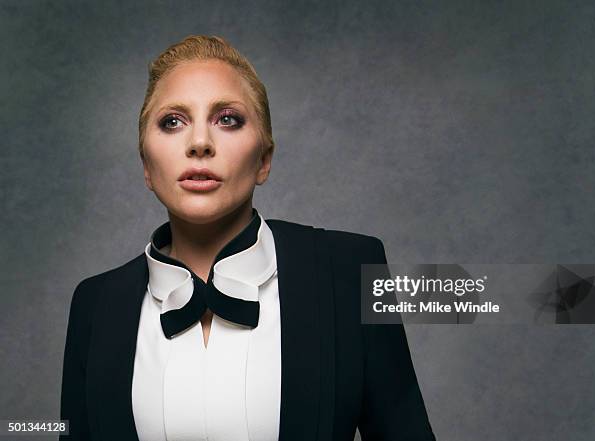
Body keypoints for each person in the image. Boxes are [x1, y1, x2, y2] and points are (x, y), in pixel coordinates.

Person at [59, 34, 436, 441]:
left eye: (227, 119)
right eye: (172, 121)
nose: (200, 143)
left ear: (264, 160)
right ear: (146, 166)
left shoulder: (352, 271)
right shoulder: (94, 305)